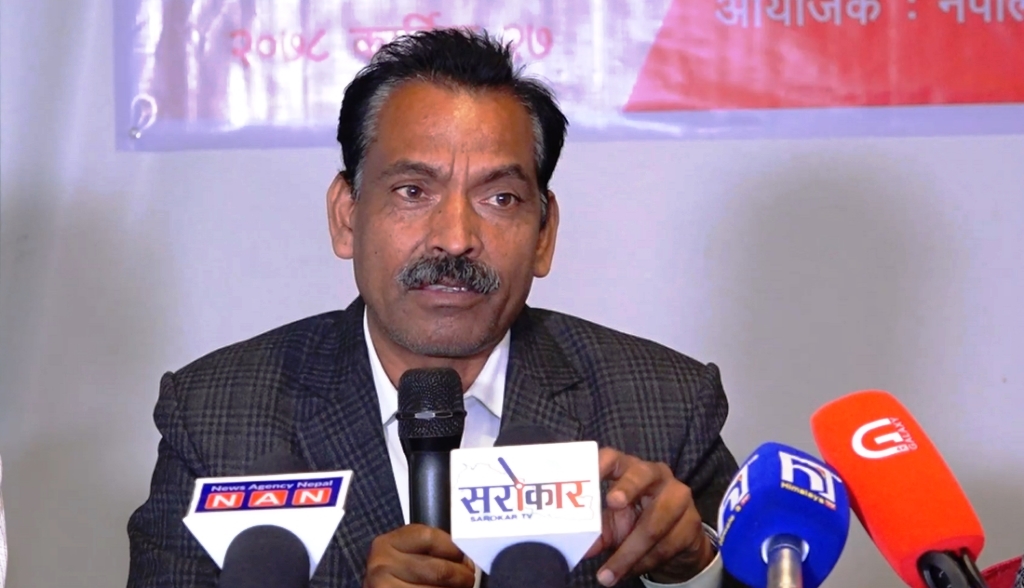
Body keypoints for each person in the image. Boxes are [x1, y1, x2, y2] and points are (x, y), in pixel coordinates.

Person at [126, 28, 740, 588]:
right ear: (346, 216)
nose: (454, 237)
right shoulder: (217, 418)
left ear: (544, 234)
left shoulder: (662, 407)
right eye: (413, 191)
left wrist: (694, 566)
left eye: (500, 198)